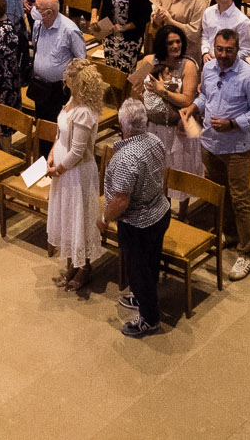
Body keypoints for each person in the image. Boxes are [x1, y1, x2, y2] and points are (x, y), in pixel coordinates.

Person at [199, 26, 250, 280]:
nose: (223, 55)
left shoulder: (249, 77)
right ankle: (229, 233)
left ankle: (246, 253)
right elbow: (205, 97)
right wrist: (193, 107)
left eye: (229, 50)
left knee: (239, 200)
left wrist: (232, 123)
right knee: (220, 194)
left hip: (236, 149)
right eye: (219, 49)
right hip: (211, 143)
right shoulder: (208, 68)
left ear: (238, 49)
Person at [104, 98, 174, 338]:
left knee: (138, 272)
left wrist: (104, 218)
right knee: (150, 263)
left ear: (122, 125)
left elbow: (120, 201)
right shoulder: (154, 140)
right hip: (160, 212)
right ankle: (144, 298)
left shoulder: (125, 158)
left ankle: (149, 318)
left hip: (138, 224)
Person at [47, 58, 105, 289]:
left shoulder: (85, 112)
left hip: (77, 174)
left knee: (80, 218)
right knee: (68, 216)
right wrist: (52, 153)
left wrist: (58, 170)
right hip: (63, 171)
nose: (65, 81)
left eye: (68, 78)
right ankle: (72, 263)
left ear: (77, 81)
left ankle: (84, 268)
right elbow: (60, 134)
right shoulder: (72, 101)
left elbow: (78, 152)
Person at [130, 23, 202, 181]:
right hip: (152, 128)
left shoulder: (188, 65)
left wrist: (162, 92)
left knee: (177, 175)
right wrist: (138, 94)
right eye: (170, 43)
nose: (176, 46)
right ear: (162, 44)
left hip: (176, 130)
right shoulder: (149, 60)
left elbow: (187, 100)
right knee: (154, 174)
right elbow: (134, 90)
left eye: (178, 41)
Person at [26, 0, 86, 123]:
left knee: (56, 125)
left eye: (37, 7)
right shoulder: (38, 23)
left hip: (59, 89)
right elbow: (36, 46)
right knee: (41, 122)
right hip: (39, 84)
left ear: (49, 12)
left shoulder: (70, 30)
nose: (33, 9)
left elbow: (81, 60)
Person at [91, 0, 152, 73]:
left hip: (131, 37)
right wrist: (93, 17)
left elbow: (145, 16)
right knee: (111, 68)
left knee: (125, 72)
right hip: (109, 33)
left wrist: (124, 28)